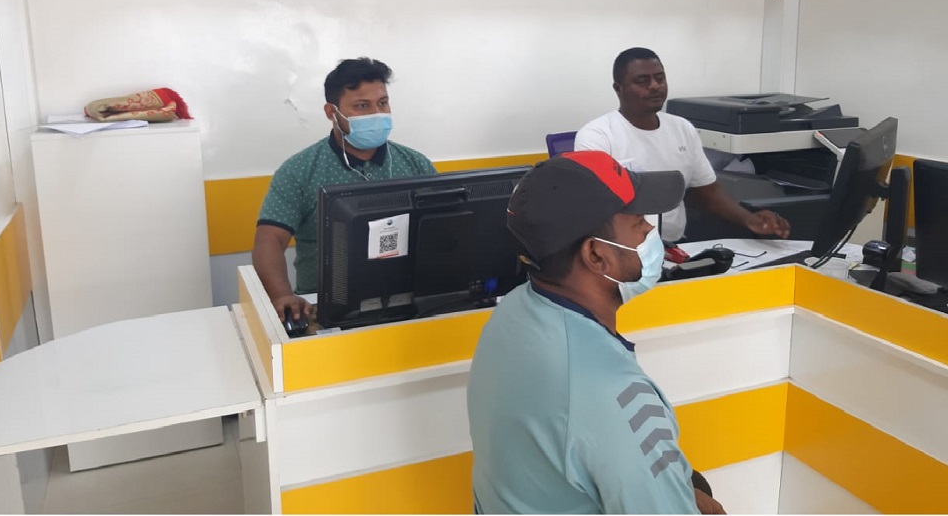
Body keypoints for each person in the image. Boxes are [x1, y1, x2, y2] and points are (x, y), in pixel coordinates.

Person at [467, 151, 725, 515]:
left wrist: (674, 485)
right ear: (596, 255)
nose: (650, 232)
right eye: (638, 222)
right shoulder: (614, 393)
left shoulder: (512, 312)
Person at [253, 58, 436, 321]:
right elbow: (270, 239)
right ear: (332, 112)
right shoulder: (299, 170)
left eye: (382, 103)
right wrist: (281, 295)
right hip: (325, 307)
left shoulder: (416, 164)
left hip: (409, 303)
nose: (376, 113)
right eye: (362, 106)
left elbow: (444, 230)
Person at [575, 47, 790, 243]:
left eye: (660, 78)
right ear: (618, 89)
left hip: (675, 245)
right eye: (642, 81)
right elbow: (596, 207)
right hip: (620, 248)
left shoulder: (682, 128)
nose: (655, 86)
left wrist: (750, 219)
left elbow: (706, 191)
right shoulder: (597, 136)